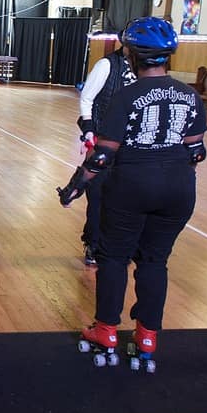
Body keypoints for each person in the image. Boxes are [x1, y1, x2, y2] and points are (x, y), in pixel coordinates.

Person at [57, 17, 206, 372]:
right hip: (179, 189)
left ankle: (107, 331)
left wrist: (77, 185)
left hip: (132, 184)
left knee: (114, 257)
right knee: (155, 261)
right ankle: (147, 336)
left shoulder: (128, 94)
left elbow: (105, 153)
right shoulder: (189, 94)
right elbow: (196, 151)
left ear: (134, 57)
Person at [75, 34, 137, 266]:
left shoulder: (146, 68)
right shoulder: (107, 64)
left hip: (132, 144)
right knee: (99, 194)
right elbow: (87, 98)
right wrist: (89, 129)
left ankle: (121, 244)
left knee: (126, 198)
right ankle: (94, 243)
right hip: (104, 138)